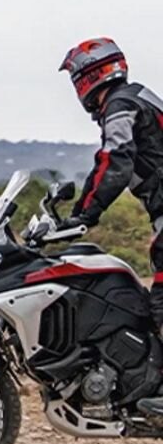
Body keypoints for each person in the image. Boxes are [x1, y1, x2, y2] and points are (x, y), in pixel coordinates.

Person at [58, 37, 163, 416]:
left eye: (77, 80)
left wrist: (83, 215)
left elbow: (114, 159)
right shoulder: (137, 96)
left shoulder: (120, 105)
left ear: (90, 77)